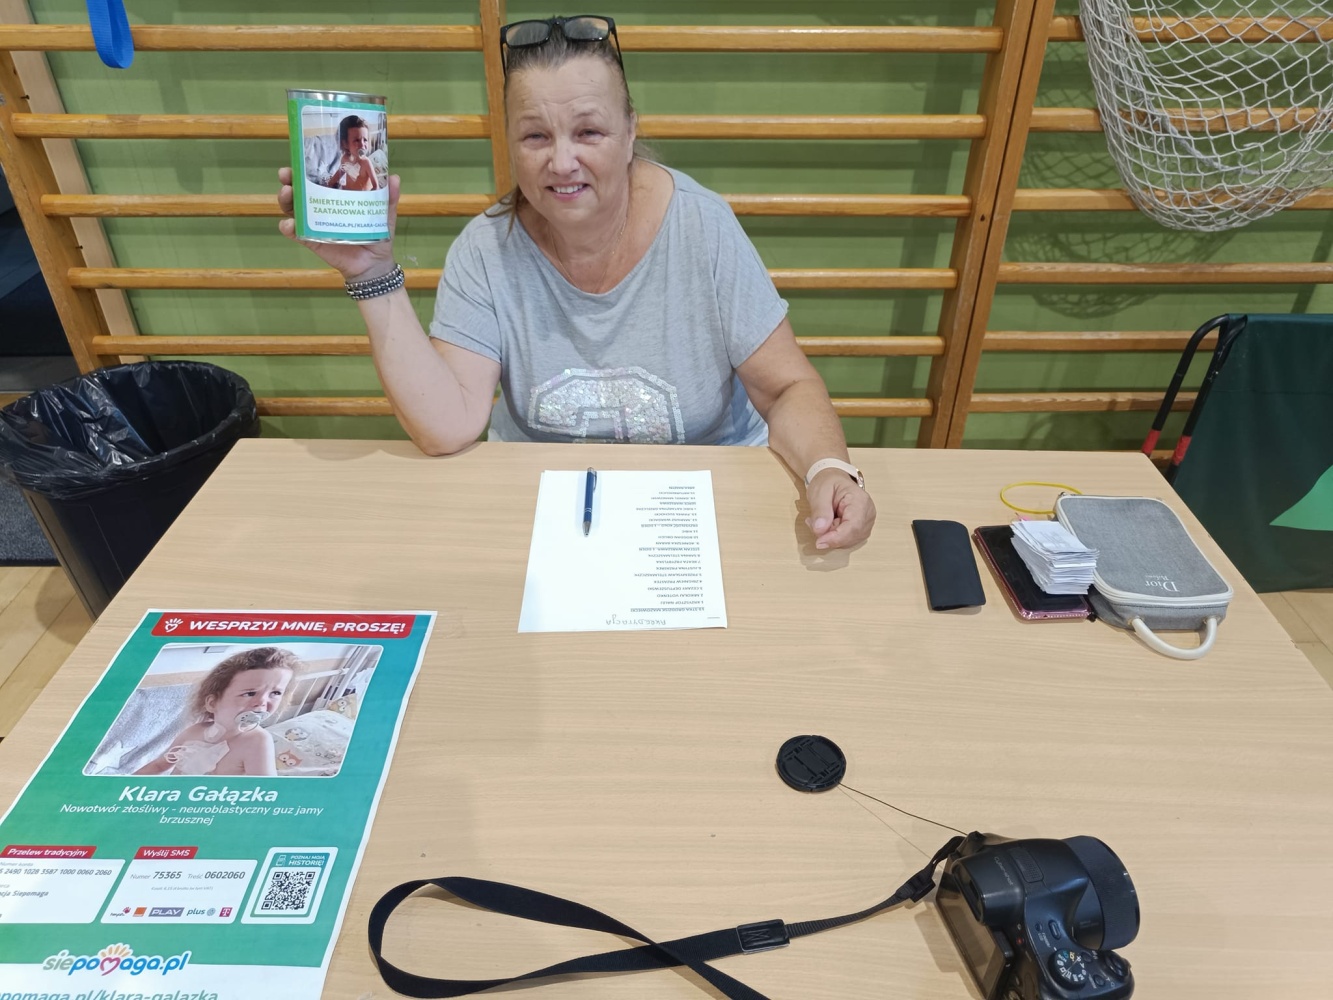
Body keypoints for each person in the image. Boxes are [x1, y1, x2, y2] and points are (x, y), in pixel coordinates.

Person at [278, 15, 875, 550]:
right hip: (547, 516)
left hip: (700, 512)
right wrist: (372, 274)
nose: (561, 162)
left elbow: (786, 387)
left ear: (631, 131)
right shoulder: (485, 249)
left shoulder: (703, 226)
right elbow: (448, 426)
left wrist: (829, 467)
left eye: (588, 132)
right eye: (535, 136)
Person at [136, 647, 300, 777]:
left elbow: (264, 792)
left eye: (275, 693)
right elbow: (159, 765)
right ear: (212, 703)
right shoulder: (194, 732)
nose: (262, 702)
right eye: (250, 693)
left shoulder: (257, 741)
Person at [326, 114, 380, 191]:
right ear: (345, 144)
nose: (362, 144)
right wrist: (331, 183)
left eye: (365, 140)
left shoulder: (366, 163)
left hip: (362, 196)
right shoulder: (345, 159)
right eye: (357, 140)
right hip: (348, 194)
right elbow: (341, 172)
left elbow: (376, 186)